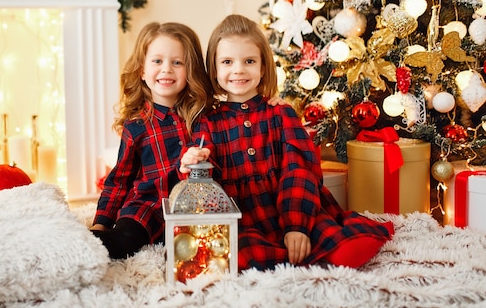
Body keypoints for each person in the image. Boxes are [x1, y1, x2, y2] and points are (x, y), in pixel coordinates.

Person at [178, 14, 394, 271]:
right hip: (244, 217)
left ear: (263, 67)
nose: (238, 70)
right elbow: (203, 181)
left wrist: (297, 226)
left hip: (292, 208)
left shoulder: (280, 113)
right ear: (214, 68)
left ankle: (309, 246)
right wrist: (191, 163)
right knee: (238, 258)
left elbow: (299, 170)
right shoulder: (208, 122)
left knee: (347, 248)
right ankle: (283, 258)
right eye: (227, 62)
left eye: (249, 61)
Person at [90, 21, 213, 259]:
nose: (167, 69)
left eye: (177, 62)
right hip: (147, 206)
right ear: (142, 70)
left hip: (190, 205)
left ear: (191, 71)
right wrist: (101, 223)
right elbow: (119, 179)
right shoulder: (136, 126)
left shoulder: (203, 116)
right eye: (157, 61)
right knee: (122, 242)